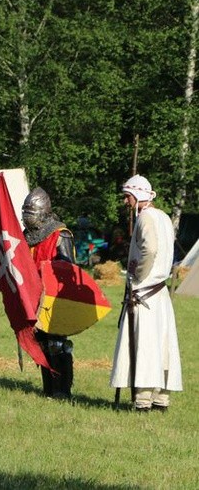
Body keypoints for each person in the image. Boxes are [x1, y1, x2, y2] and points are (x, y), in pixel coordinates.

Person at [110, 175, 182, 412]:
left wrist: (139, 273)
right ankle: (160, 398)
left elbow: (149, 249)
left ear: (138, 195)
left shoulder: (146, 218)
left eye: (127, 196)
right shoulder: (163, 217)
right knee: (161, 345)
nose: (125, 201)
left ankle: (143, 399)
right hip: (158, 292)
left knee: (147, 345)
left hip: (145, 292)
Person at [21, 187, 75, 398]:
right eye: (25, 212)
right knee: (42, 344)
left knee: (57, 344)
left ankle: (63, 389)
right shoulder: (26, 236)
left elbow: (68, 268)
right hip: (32, 298)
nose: (27, 217)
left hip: (54, 298)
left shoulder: (60, 234)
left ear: (43, 212)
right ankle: (48, 389)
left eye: (31, 212)